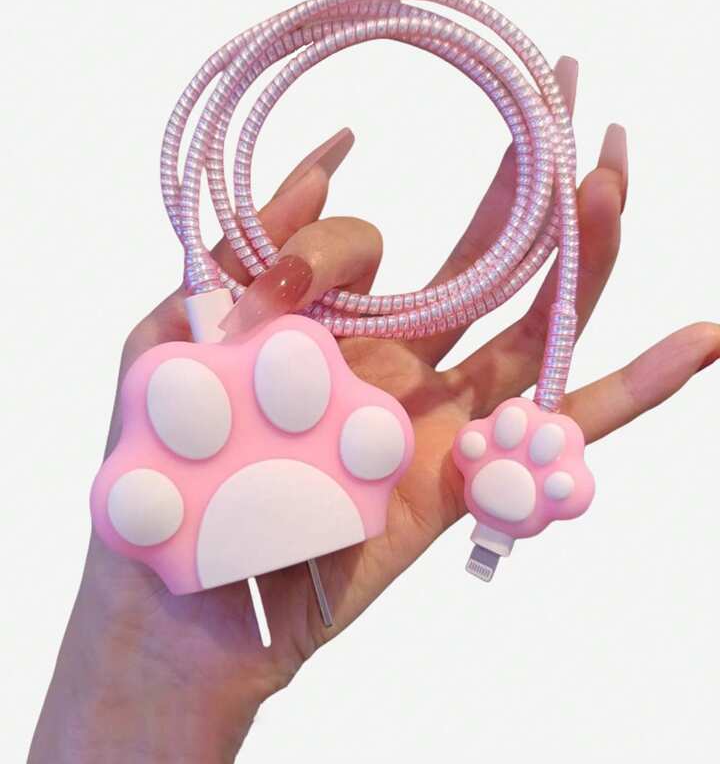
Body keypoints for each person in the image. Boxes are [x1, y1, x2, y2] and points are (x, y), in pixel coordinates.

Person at [29, 59, 719, 762]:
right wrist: (141, 675)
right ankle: (276, 454)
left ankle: (273, 455)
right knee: (239, 375)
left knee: (248, 380)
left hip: (291, 488)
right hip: (258, 507)